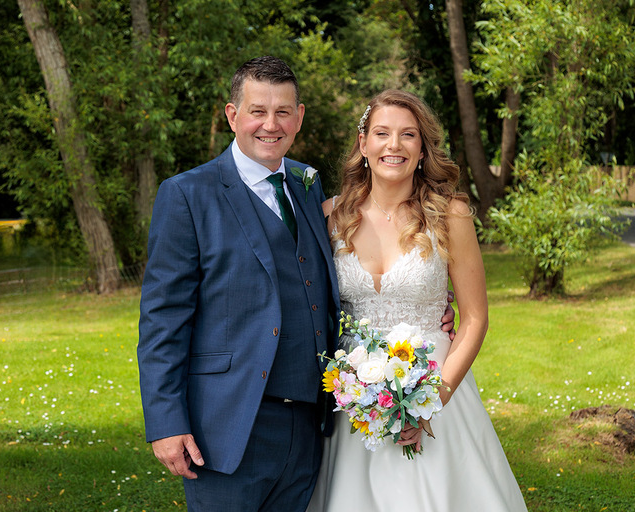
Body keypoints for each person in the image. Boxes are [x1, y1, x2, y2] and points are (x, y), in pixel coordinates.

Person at [138, 58, 455, 512]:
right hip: (227, 425)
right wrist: (166, 421)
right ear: (232, 115)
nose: (271, 124)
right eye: (257, 111)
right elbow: (163, 319)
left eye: (283, 111)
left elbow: (338, 281)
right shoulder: (188, 195)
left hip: (312, 424)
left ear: (299, 117)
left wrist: (430, 307)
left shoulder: (308, 187)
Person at [308, 90, 528, 511]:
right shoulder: (329, 215)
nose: (394, 145)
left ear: (423, 149)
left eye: (408, 135)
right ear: (363, 144)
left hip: (435, 382)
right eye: (382, 133)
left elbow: (475, 319)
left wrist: (432, 400)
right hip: (353, 397)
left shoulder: (451, 215)